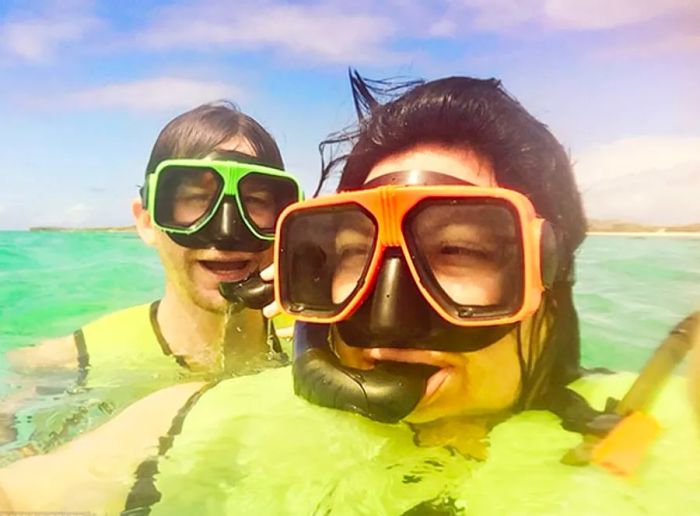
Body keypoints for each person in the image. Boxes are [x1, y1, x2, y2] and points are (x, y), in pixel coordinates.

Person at [1, 74, 697, 515]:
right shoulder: (212, 417)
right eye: (355, 252)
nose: (387, 309)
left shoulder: (671, 411)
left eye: (456, 249)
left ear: (551, 269)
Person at [0, 101, 301, 459]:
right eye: (196, 200)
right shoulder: (73, 360)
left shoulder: (321, 342)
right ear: (146, 222)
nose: (226, 234)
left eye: (255, 201)